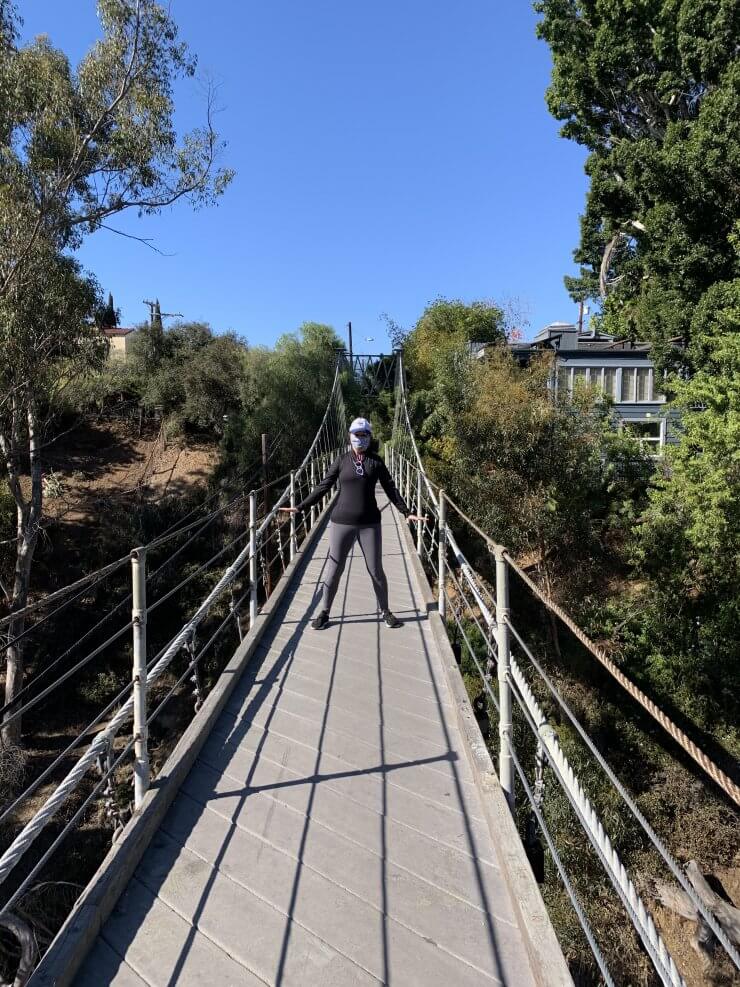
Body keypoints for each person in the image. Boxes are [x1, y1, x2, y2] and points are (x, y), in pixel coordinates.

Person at [279, 417, 425, 629]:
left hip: (370, 525)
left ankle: (385, 611)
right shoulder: (341, 460)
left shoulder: (376, 462)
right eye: (357, 435)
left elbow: (391, 488)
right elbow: (324, 486)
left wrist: (407, 512)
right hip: (342, 523)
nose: (360, 439)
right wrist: (301, 507)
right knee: (334, 569)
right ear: (350, 436)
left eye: (364, 435)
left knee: (376, 570)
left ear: (369, 437)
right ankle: (324, 612)